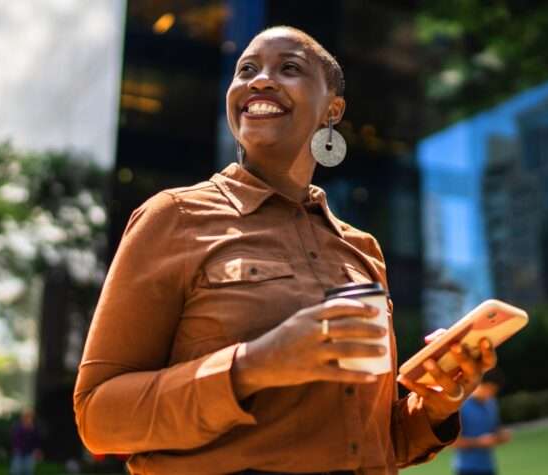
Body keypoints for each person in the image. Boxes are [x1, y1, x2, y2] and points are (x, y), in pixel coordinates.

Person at [73, 25, 499, 474]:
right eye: (247, 70)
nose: (260, 80)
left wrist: (433, 406)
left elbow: (371, 443)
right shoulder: (172, 218)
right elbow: (98, 418)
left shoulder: (362, 250)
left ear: (332, 110)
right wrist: (253, 365)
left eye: (289, 68)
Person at [452, 371, 512, 475]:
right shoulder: (461, 407)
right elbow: (453, 443)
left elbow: (495, 428)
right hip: (467, 469)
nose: (490, 394)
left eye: (494, 391)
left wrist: (501, 436)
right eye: (489, 389)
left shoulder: (491, 403)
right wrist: (479, 442)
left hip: (488, 466)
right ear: (477, 384)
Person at [10, 409, 41, 475]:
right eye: (26, 417)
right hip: (19, 451)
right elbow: (15, 439)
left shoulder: (34, 428)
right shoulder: (18, 427)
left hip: (30, 452)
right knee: (17, 470)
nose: (28, 418)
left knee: (28, 470)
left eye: (29, 417)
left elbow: (37, 440)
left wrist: (37, 450)